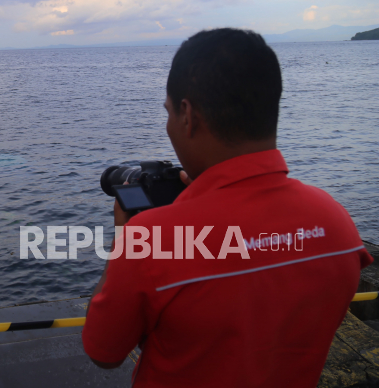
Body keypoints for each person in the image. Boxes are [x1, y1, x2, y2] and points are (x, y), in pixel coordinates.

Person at [82, 28, 371, 387]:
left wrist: (127, 238)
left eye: (169, 112)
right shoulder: (336, 223)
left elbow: (103, 353)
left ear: (188, 116)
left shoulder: (152, 239)